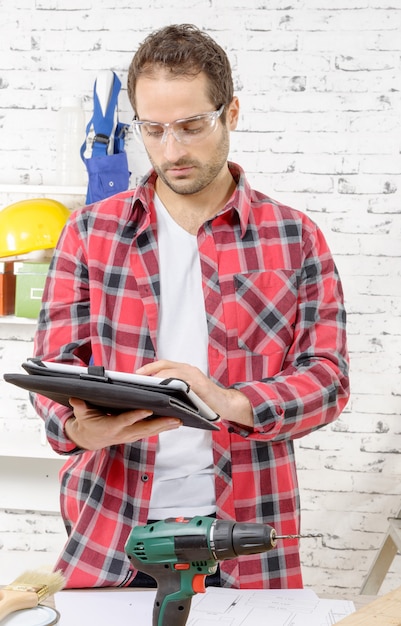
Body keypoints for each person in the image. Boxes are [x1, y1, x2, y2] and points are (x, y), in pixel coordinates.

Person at [32, 23, 349, 590]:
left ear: (231, 112)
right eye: (153, 130)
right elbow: (55, 365)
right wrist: (81, 430)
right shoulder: (88, 233)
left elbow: (327, 379)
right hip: (111, 526)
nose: (171, 150)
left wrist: (227, 399)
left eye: (191, 126)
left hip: (248, 523)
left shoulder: (294, 237)